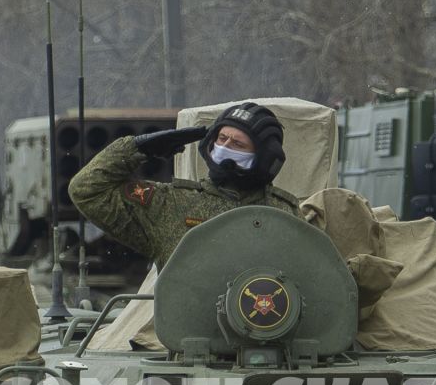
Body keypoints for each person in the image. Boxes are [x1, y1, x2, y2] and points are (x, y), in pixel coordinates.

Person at [67, 101, 299, 267]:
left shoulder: (283, 213)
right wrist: (137, 149)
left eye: (238, 144)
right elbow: (87, 190)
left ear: (264, 159)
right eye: (221, 138)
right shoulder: (172, 204)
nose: (226, 147)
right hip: (188, 332)